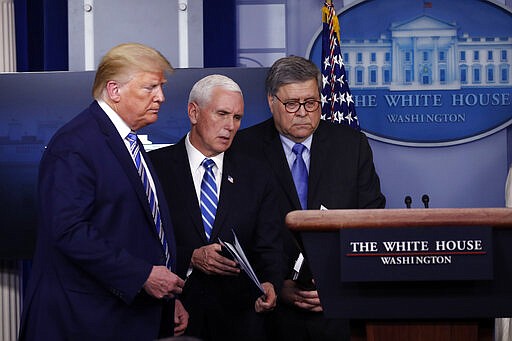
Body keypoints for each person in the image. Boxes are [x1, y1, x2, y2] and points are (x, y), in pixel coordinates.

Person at [19, 43, 188, 341]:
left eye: (161, 87)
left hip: (130, 313)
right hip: (85, 320)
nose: (161, 97)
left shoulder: (128, 142)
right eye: (150, 87)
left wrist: (165, 301)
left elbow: (138, 227)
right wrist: (143, 276)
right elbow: (69, 231)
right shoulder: (75, 144)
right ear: (114, 90)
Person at [231, 55, 386, 341]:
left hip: (336, 309)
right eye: (291, 104)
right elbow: (235, 228)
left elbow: (370, 219)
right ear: (271, 102)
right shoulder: (242, 150)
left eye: (311, 103)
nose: (303, 112)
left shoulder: (351, 146)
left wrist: (336, 284)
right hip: (266, 311)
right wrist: (277, 283)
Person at [150, 74, 283, 341]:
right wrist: (191, 257)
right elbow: (140, 241)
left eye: (237, 118)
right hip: (174, 314)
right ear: (193, 112)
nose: (230, 126)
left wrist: (270, 282)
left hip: (241, 320)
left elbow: (270, 245)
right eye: (222, 114)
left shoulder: (257, 174)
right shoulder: (154, 168)